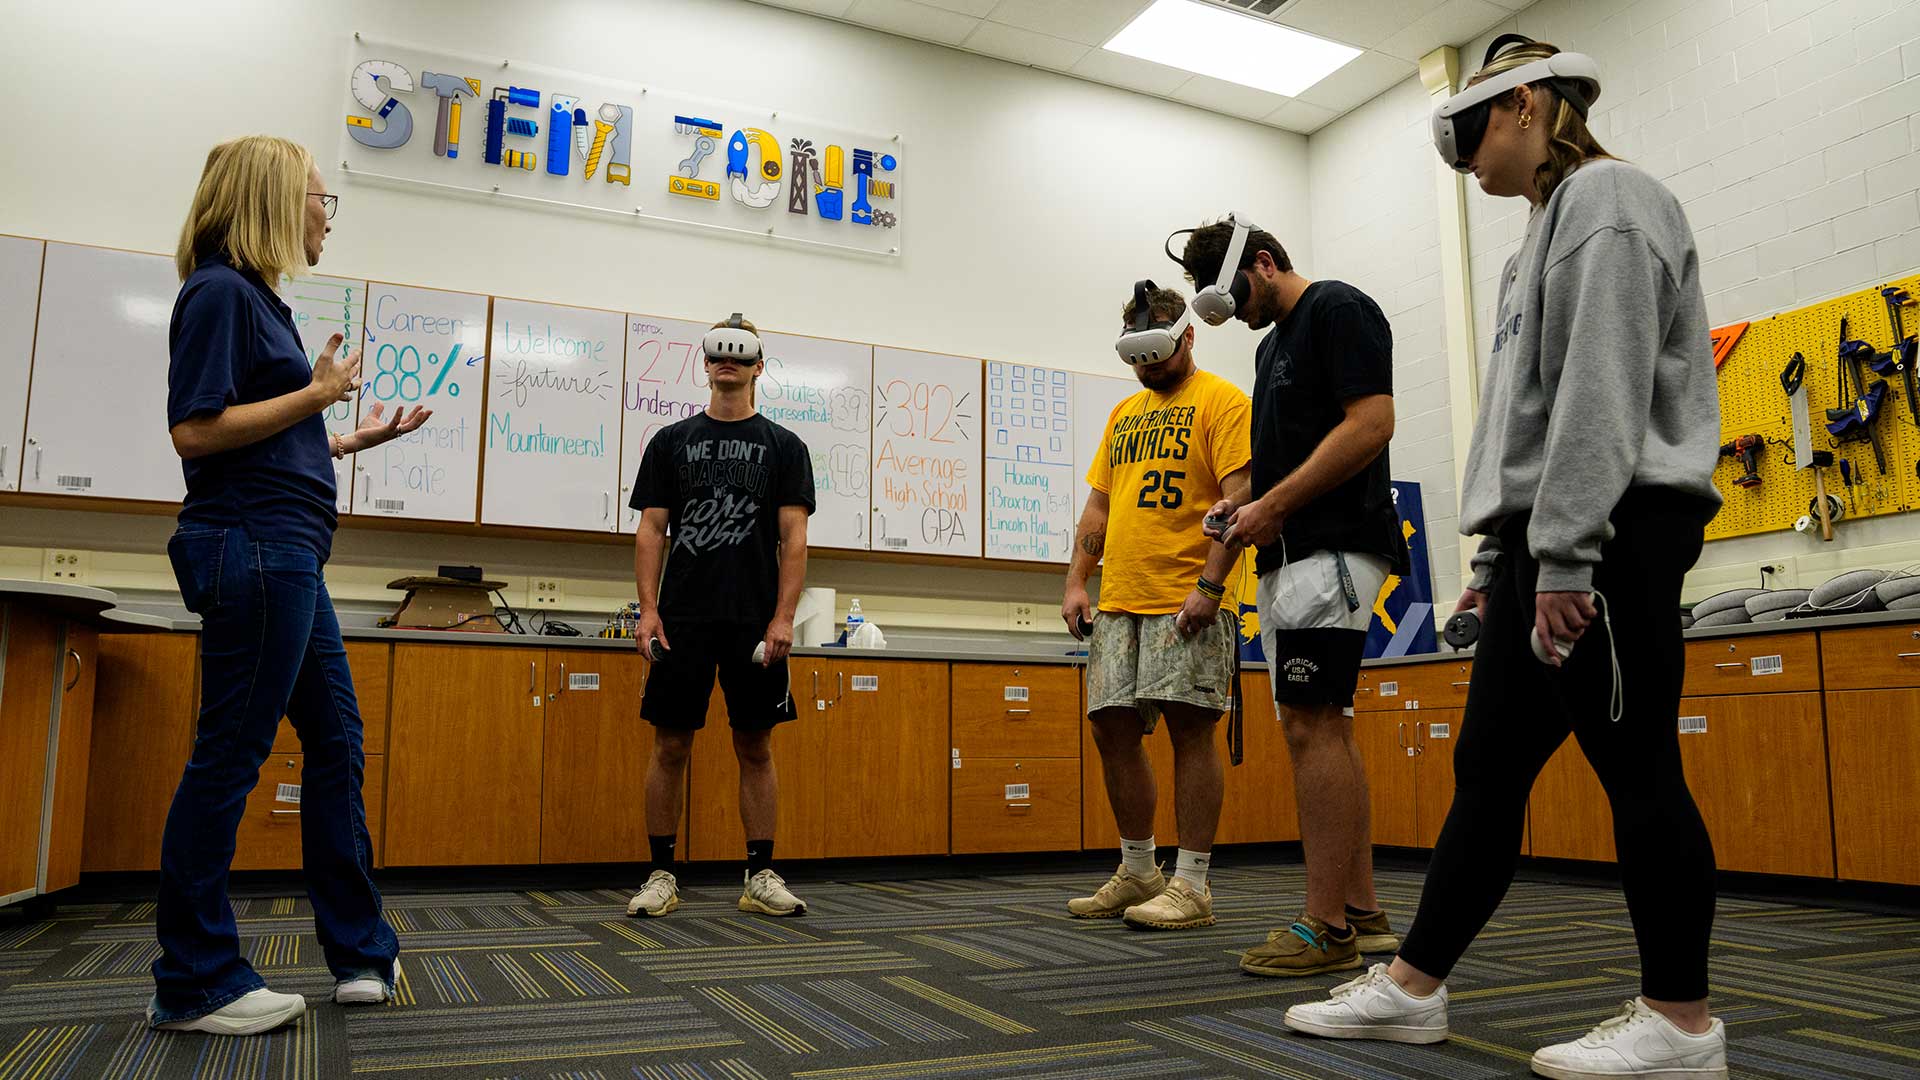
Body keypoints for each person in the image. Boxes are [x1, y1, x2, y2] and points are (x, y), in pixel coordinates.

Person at [1283, 36, 1728, 1080]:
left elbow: (1601, 394)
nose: (1466, 166)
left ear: (1527, 103)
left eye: (1470, 136)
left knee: (1639, 771)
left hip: (1609, 534)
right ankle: (1412, 991)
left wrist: (1565, 556)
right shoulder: (1538, 237)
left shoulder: (1612, 204)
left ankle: (1683, 1024)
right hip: (1546, 539)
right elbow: (1520, 415)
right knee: (1485, 770)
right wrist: (1498, 556)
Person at [153, 136, 426, 1035]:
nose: (325, 215)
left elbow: (259, 435)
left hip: (286, 552)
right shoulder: (221, 292)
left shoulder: (261, 302)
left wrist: (344, 440)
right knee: (230, 757)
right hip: (254, 550)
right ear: (276, 200)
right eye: (320, 198)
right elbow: (196, 431)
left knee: (339, 744)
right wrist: (314, 401)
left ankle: (358, 951)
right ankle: (194, 981)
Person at [1174, 213, 1408, 976]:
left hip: (1332, 552)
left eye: (1237, 295)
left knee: (1314, 732)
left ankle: (1325, 926)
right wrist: (1243, 515)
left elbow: (1373, 423)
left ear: (1266, 263)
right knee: (1325, 728)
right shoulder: (1274, 345)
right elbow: (1283, 467)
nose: (1236, 314)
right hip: (1290, 555)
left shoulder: (1338, 309)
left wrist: (1273, 509)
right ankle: (1363, 914)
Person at [1061, 281, 1251, 930]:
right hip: (1120, 599)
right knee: (1110, 728)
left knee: (1191, 728)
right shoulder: (1122, 416)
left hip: (1188, 595)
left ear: (1188, 337)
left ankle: (1192, 883)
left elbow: (1239, 497)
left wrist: (1212, 587)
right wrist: (1075, 581)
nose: (1146, 369)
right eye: (1135, 359)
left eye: (1157, 356)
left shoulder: (1222, 402)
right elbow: (1099, 505)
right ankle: (1139, 869)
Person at [626, 314, 815, 919]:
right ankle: (661, 873)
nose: (728, 362)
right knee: (670, 744)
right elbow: (652, 529)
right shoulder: (670, 442)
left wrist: (784, 618)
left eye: (741, 354)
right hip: (683, 619)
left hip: (753, 621)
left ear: (759, 365)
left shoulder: (785, 448)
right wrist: (649, 610)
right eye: (718, 353)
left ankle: (760, 873)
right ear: (706, 363)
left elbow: (795, 539)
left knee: (755, 745)